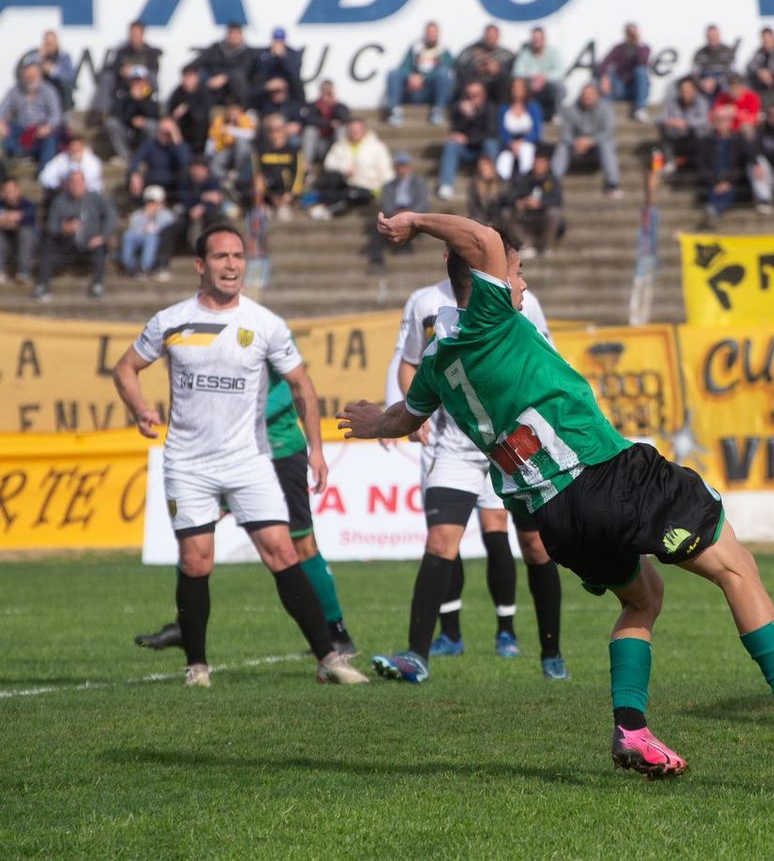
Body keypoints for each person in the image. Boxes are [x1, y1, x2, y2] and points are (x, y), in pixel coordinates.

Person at [338, 213, 774, 776]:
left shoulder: (440, 367)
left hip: (557, 517)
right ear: (487, 278)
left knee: (642, 600)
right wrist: (416, 221)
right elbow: (484, 238)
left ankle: (633, 732)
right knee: (736, 565)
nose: (522, 285)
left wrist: (375, 423)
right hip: (606, 477)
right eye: (515, 273)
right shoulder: (490, 319)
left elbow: (402, 417)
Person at [112, 224, 367, 687]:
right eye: (221, 256)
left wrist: (316, 450)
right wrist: (141, 408)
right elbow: (126, 367)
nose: (231, 264)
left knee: (284, 552)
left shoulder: (265, 323)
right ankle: (197, 666)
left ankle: (330, 657)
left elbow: (302, 385)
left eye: (238, 256)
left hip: (250, 461)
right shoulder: (171, 320)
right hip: (188, 462)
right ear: (200, 265)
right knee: (196, 561)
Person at [375, 269, 568, 680]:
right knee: (441, 540)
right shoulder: (434, 310)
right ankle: (417, 655)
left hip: (515, 448)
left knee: (535, 548)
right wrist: (413, 413)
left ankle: (550, 651)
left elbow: (548, 365)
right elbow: (414, 364)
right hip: (456, 448)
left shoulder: (521, 305)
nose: (519, 278)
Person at [133, 359, 360, 657]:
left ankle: (337, 633)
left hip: (277, 452)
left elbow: (294, 388)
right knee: (194, 534)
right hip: (226, 455)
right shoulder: (213, 334)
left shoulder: (266, 328)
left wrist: (240, 416)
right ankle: (185, 625)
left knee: (301, 545)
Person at [33, 170, 116, 302]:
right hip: (66, 245)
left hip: (89, 244)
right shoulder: (59, 201)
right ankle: (42, 286)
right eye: (72, 182)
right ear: (68, 185)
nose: (76, 185)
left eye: (79, 182)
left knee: (101, 247)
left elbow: (111, 216)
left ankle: (97, 285)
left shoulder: (96, 198)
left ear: (84, 183)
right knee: (48, 245)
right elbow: (51, 225)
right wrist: (62, 229)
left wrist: (102, 236)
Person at [313, 118, 394, 220]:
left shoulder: (377, 147)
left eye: (358, 129)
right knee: (332, 178)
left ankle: (328, 210)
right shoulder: (340, 145)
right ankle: (330, 206)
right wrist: (343, 169)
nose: (354, 132)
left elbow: (386, 170)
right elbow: (329, 163)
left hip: (369, 187)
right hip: (347, 183)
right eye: (352, 129)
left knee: (350, 195)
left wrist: (388, 192)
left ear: (364, 130)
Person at [554, 82, 622, 199]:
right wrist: (576, 142)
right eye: (585, 95)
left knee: (606, 144)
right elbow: (564, 132)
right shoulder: (571, 109)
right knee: (562, 146)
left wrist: (590, 141)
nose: (587, 98)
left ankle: (612, 184)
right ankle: (553, 182)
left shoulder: (606, 109)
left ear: (597, 96)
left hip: (596, 146)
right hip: (575, 147)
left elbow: (608, 131)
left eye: (590, 95)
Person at [437, 82, 499, 202]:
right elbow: (455, 132)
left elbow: (490, 132)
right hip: (467, 150)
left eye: (475, 95)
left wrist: (469, 138)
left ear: (483, 95)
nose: (471, 98)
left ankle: (490, 181)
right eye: (468, 95)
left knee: (490, 143)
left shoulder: (490, 108)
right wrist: (467, 116)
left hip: (483, 148)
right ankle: (446, 184)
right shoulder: (459, 109)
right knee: (451, 145)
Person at [696, 105, 754, 229]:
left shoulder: (739, 141)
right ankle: (713, 211)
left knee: (727, 190)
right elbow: (702, 166)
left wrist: (728, 182)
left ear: (730, 122)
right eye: (717, 120)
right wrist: (716, 183)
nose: (720, 123)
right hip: (712, 182)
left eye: (724, 120)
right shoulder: (706, 142)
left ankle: (713, 210)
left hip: (734, 182)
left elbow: (743, 164)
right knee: (718, 190)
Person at [386, 22, 455, 126]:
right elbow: (404, 67)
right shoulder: (415, 49)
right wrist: (411, 77)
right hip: (412, 89)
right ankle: (395, 112)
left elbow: (446, 69)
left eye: (434, 32)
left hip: (431, 92)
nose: (431, 35)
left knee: (443, 75)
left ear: (438, 34)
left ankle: (438, 111)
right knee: (394, 73)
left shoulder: (444, 52)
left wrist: (423, 78)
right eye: (429, 32)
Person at [369, 152, 429, 272]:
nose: (402, 168)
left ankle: (405, 247)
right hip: (394, 213)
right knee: (378, 227)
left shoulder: (419, 182)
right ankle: (376, 260)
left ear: (409, 167)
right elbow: (385, 204)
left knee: (407, 224)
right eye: (399, 165)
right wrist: (396, 213)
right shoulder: (389, 185)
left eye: (404, 165)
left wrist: (408, 213)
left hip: (413, 214)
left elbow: (422, 202)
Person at [0, 62, 64, 166]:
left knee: (51, 140)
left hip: (40, 129)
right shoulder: (14, 91)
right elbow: (2, 109)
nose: (29, 79)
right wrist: (1, 123)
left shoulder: (49, 91)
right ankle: (19, 155)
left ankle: (44, 171)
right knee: (7, 132)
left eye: (32, 76)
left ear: (39, 76)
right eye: (27, 76)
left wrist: (48, 127)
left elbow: (56, 115)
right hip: (21, 128)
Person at [510, 145, 565, 258]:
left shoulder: (553, 180)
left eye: (541, 163)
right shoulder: (523, 178)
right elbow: (512, 196)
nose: (538, 166)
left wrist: (541, 203)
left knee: (554, 213)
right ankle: (526, 244)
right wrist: (523, 202)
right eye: (536, 162)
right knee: (506, 213)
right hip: (526, 215)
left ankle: (546, 247)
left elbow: (557, 200)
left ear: (547, 164)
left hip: (544, 215)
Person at [252, 114, 304, 221]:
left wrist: (290, 195)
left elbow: (299, 175)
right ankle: (263, 208)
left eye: (278, 130)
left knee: (284, 218)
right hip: (268, 195)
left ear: (284, 130)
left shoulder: (294, 151)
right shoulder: (260, 151)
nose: (275, 134)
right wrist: (267, 196)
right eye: (271, 130)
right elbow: (257, 174)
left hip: (286, 195)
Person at [598, 23, 653, 122]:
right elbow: (603, 64)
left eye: (633, 33)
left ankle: (640, 109)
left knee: (641, 71)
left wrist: (637, 43)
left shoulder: (644, 48)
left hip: (635, 90)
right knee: (609, 72)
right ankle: (604, 114)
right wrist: (604, 77)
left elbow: (642, 62)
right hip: (619, 88)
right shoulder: (618, 48)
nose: (631, 35)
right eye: (629, 33)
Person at [194, 22, 256, 105]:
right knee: (192, 78)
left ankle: (242, 109)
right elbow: (196, 64)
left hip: (235, 90)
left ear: (242, 35)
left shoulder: (248, 53)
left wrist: (225, 77)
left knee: (237, 78)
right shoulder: (215, 48)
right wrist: (207, 79)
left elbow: (244, 70)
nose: (234, 37)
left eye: (237, 34)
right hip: (212, 87)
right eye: (232, 33)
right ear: (227, 35)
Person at [510, 27, 564, 120]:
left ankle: (556, 113)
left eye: (539, 39)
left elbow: (560, 71)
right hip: (530, 84)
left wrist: (544, 77)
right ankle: (520, 113)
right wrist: (532, 78)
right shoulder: (525, 53)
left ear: (544, 39)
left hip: (548, 83)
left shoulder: (553, 52)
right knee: (517, 85)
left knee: (560, 87)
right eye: (534, 39)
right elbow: (517, 72)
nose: (536, 41)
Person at [657, 77, 711, 170]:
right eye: (683, 90)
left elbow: (705, 120)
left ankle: (696, 164)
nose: (685, 93)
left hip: (695, 137)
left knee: (704, 133)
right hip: (676, 136)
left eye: (688, 90)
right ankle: (670, 162)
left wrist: (686, 123)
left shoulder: (702, 101)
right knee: (664, 128)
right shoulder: (672, 102)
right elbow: (659, 119)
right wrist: (671, 121)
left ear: (694, 90)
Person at [496, 77, 544, 181]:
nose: (517, 90)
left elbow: (537, 131)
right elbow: (502, 131)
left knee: (526, 151)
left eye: (520, 87)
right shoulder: (504, 108)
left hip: (528, 142)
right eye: (514, 87)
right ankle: (504, 187)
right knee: (504, 161)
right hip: (509, 144)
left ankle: (525, 182)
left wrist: (523, 141)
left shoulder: (533, 107)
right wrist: (510, 143)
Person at [120, 185, 172, 277]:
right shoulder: (138, 214)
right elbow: (133, 229)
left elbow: (162, 228)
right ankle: (128, 266)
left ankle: (145, 268)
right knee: (128, 235)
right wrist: (146, 216)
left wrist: (155, 216)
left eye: (154, 202)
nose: (151, 204)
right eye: (149, 201)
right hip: (140, 237)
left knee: (151, 237)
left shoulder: (166, 214)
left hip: (156, 240)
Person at [300, 80, 350, 170]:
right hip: (317, 144)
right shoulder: (312, 106)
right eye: (324, 91)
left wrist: (335, 105)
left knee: (341, 130)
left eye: (329, 91)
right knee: (309, 131)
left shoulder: (340, 106)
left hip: (332, 144)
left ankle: (340, 164)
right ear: (320, 92)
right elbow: (308, 120)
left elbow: (344, 119)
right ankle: (306, 167)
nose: (327, 94)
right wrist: (329, 124)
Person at [166, 64, 213, 154]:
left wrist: (188, 107)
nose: (188, 80)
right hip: (182, 128)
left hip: (199, 130)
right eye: (186, 76)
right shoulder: (178, 92)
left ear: (196, 77)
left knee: (199, 119)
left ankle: (198, 152)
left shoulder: (203, 91)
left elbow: (205, 110)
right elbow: (171, 110)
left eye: (190, 76)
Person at [251, 27, 305, 102]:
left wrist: (283, 57)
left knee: (297, 83)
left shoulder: (293, 54)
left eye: (281, 40)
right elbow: (260, 72)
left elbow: (294, 73)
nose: (278, 42)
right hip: (269, 85)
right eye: (276, 39)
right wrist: (272, 57)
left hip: (288, 87)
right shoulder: (264, 53)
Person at [0, 177, 38, 283]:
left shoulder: (28, 204)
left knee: (24, 232)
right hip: (7, 243)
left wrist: (7, 219)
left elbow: (27, 219)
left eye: (11, 191)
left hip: (28, 244)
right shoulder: (1, 204)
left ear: (18, 191)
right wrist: (12, 219)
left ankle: (23, 272)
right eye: (6, 192)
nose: (9, 194)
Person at [691, 24, 737, 97]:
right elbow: (694, 72)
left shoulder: (728, 51)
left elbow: (732, 71)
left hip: (723, 85)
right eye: (710, 36)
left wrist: (716, 81)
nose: (712, 38)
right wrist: (702, 82)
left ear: (719, 35)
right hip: (705, 86)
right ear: (706, 37)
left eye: (714, 35)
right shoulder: (700, 53)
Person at [746, 27, 774, 93]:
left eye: (768, 37)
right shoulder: (759, 52)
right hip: (762, 82)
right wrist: (760, 72)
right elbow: (750, 65)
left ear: (773, 37)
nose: (766, 40)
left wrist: (770, 71)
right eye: (764, 38)